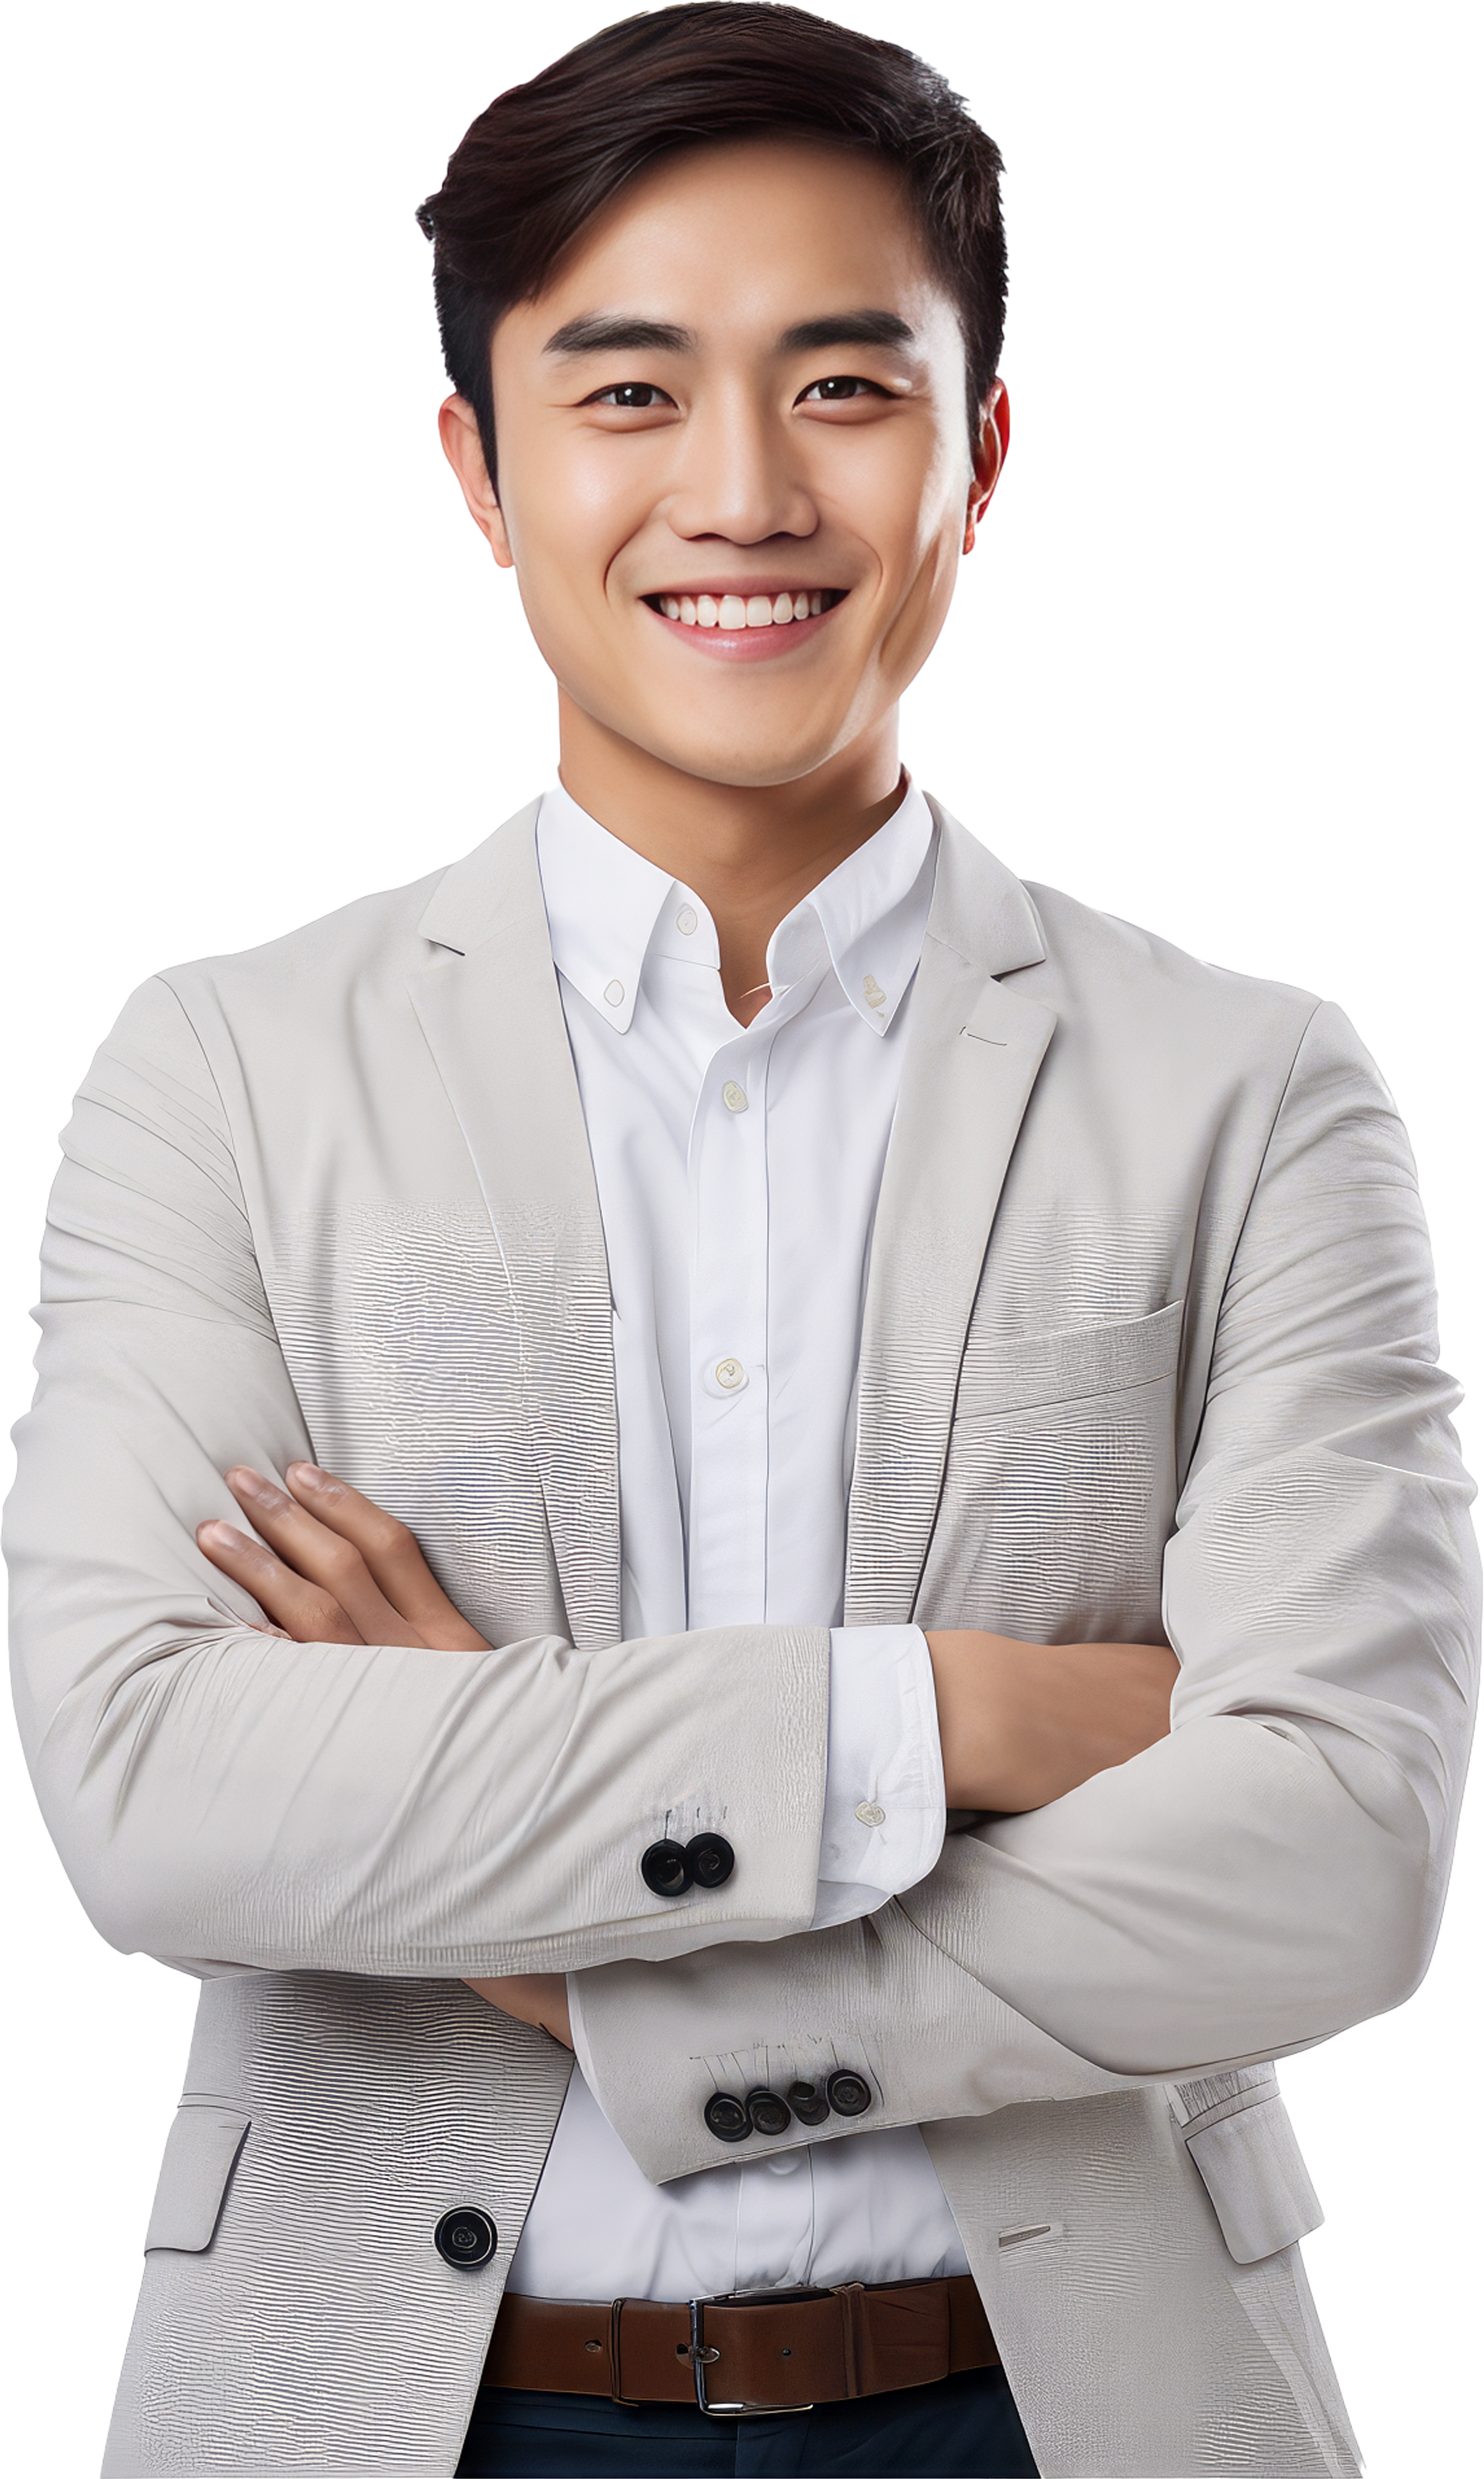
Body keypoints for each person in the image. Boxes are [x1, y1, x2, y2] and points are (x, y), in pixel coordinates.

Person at [5, 5, 1477, 2475]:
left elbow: (1335, 1864)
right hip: (397, 2408)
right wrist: (956, 1718)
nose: (742, 491)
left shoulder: (1250, 1086)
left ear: (981, 452)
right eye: (626, 393)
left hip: (1069, 2403)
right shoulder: (229, 1070)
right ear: (478, 470)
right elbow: (158, 1786)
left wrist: (574, 1970)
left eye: (842, 387)